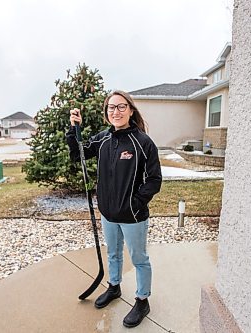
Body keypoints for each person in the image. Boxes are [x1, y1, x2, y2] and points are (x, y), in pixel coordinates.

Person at [66, 90, 162, 328]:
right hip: (108, 214)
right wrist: (73, 128)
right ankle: (114, 287)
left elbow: (154, 180)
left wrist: (134, 203)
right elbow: (78, 154)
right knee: (113, 254)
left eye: (121, 107)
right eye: (111, 107)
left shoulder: (142, 142)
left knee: (139, 259)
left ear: (130, 110)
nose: (116, 112)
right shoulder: (103, 139)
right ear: (106, 112)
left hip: (133, 216)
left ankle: (142, 300)